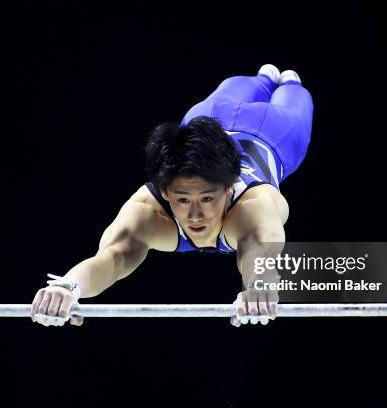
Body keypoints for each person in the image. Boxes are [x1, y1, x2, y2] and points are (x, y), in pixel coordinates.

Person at [30, 64, 314, 327]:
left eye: (206, 198)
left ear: (229, 188)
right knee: (250, 82)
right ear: (164, 191)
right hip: (209, 115)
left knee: (293, 86)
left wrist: (258, 289)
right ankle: (264, 78)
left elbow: (261, 255)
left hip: (274, 131)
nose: (194, 215)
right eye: (182, 199)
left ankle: (284, 80)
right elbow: (112, 258)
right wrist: (68, 286)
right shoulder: (146, 211)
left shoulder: (254, 206)